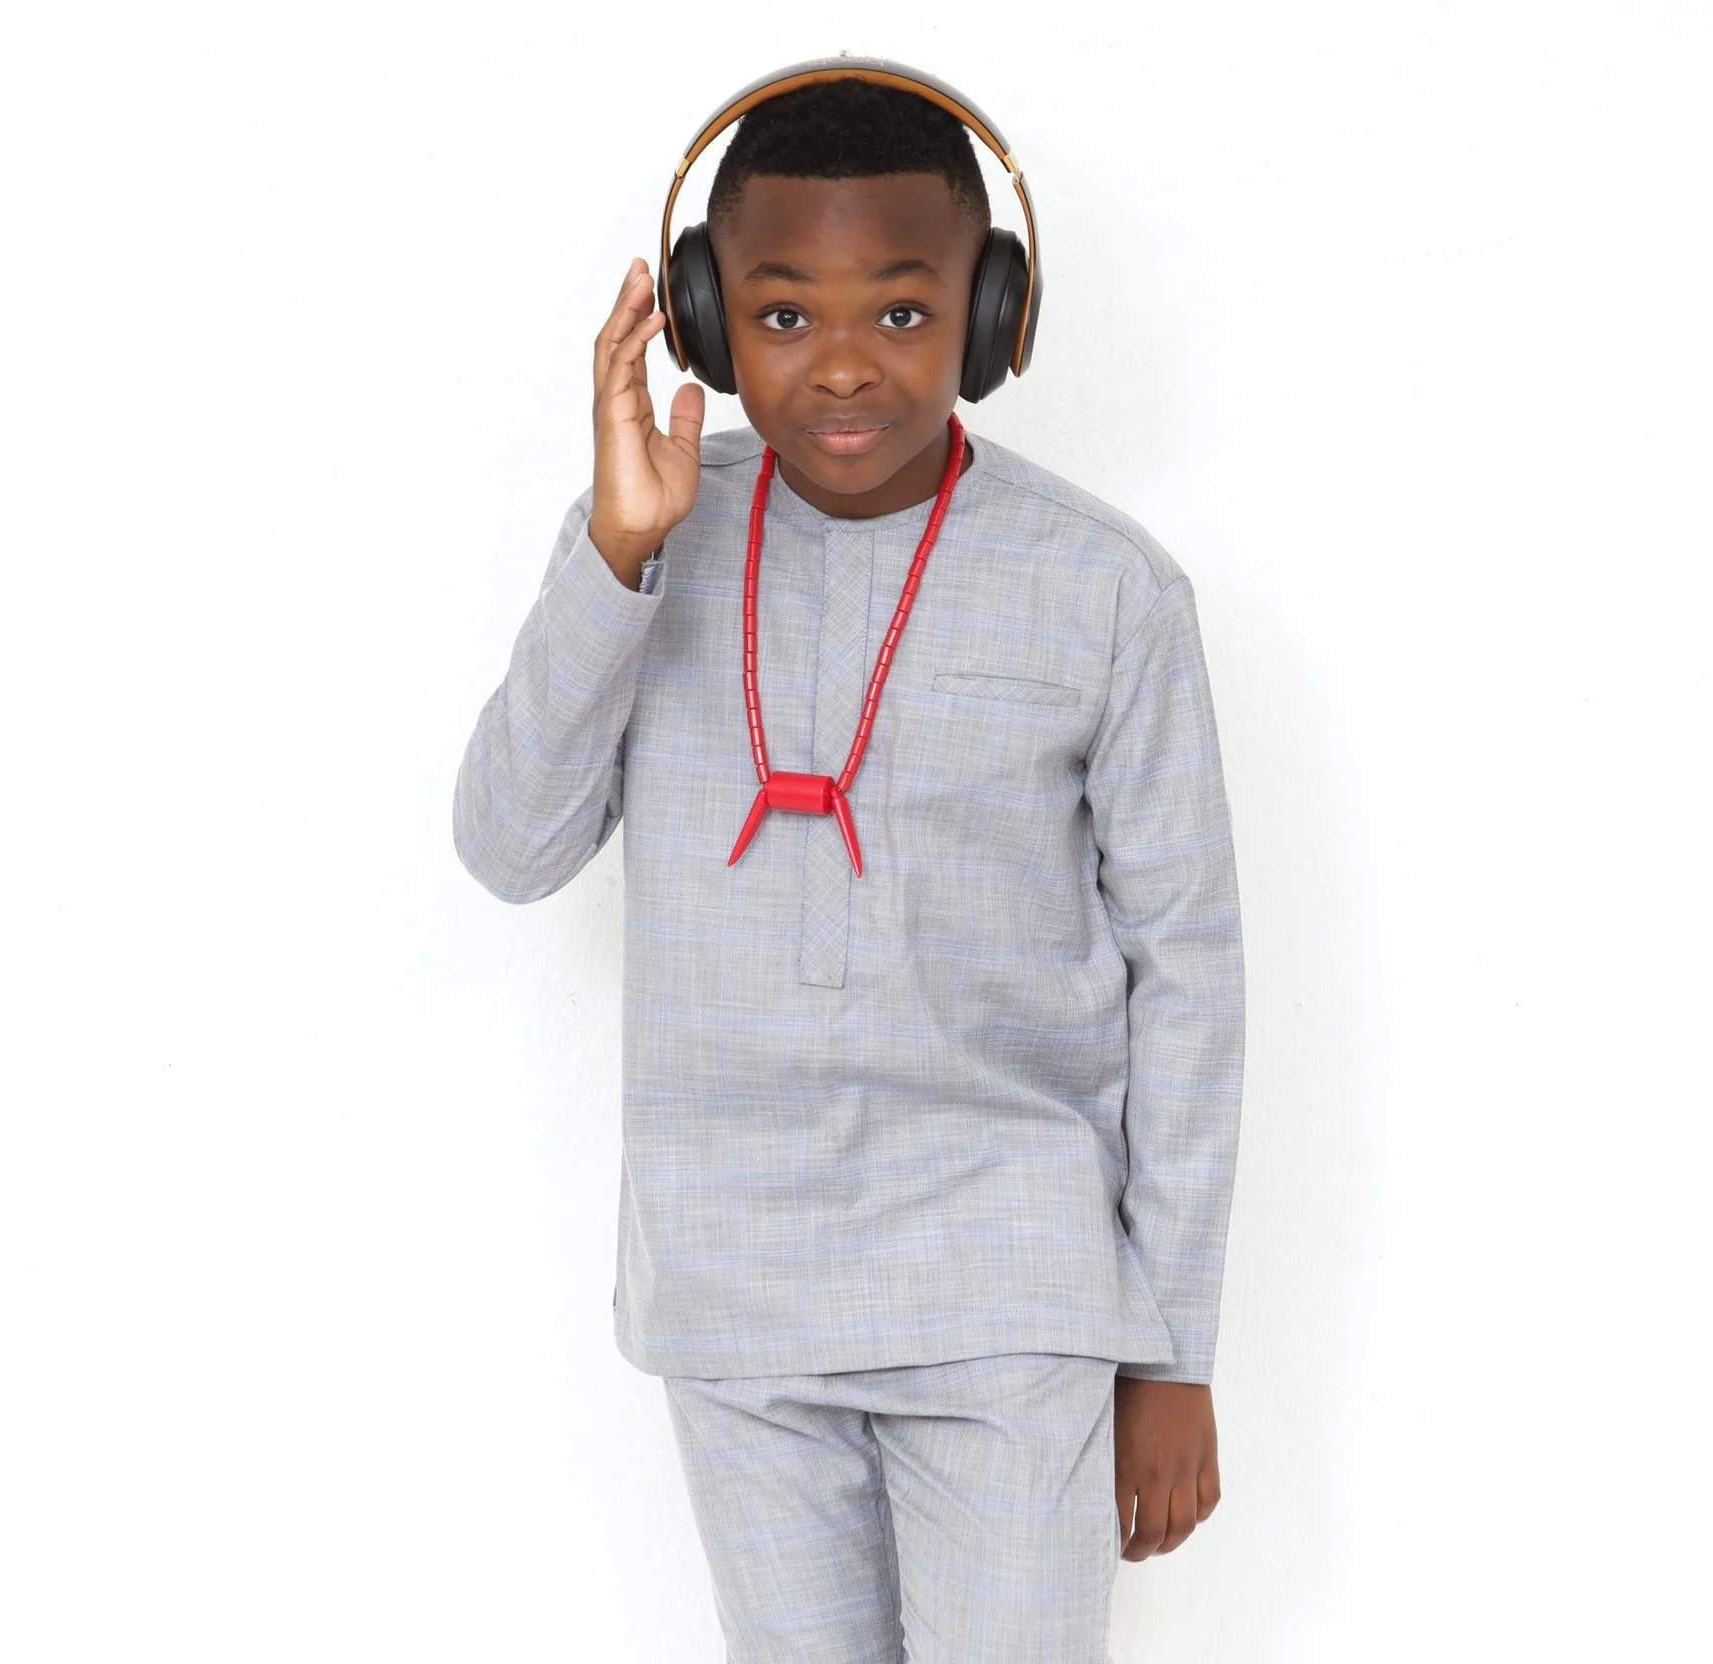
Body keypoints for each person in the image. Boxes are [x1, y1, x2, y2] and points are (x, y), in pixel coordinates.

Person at [451, 61, 1245, 1662]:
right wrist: (617, 552)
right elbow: (511, 850)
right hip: (734, 1295)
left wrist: (1171, 1351)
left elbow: (1190, 975)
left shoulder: (1107, 589)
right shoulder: (645, 534)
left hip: (1006, 1290)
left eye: (901, 310)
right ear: (699, 318)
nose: (840, 367)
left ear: (992, 313)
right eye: (780, 313)